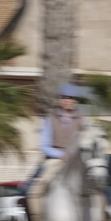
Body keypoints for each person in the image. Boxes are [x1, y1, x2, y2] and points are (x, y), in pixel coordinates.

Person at [25, 84, 88, 212]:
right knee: (36, 189)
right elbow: (43, 145)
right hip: (56, 160)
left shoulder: (83, 120)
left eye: (71, 98)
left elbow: (88, 139)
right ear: (60, 100)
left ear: (76, 102)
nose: (68, 101)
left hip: (77, 160)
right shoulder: (50, 119)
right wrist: (61, 155)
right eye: (65, 98)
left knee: (97, 184)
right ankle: (37, 219)